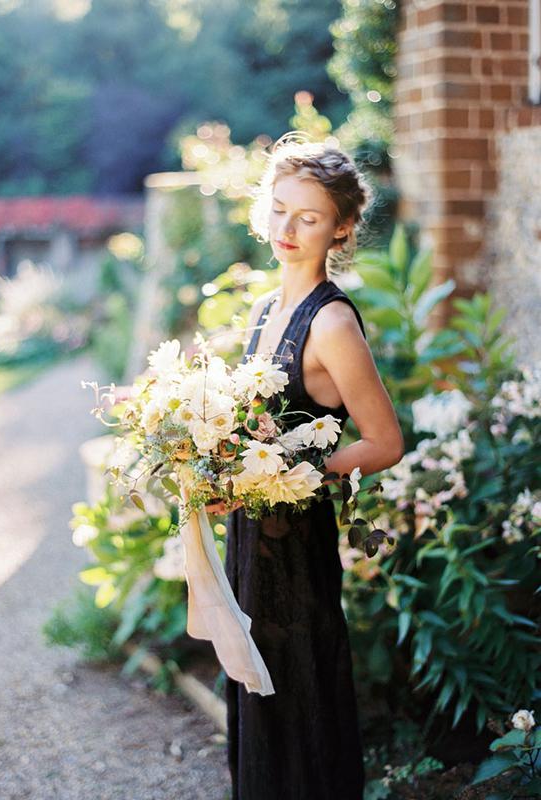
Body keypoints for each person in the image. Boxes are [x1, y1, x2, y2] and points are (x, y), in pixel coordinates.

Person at [206, 133, 405, 800]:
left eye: (309, 217)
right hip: (247, 543)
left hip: (295, 557)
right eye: (279, 208)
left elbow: (384, 441)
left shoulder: (332, 325)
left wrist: (299, 476)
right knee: (255, 700)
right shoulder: (264, 310)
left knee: (297, 704)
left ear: (342, 228)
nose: (287, 229)